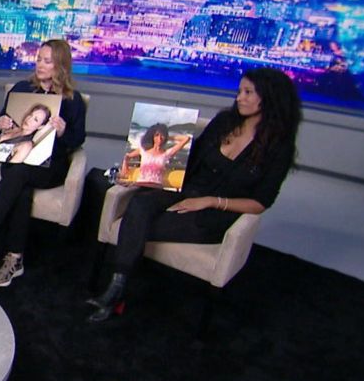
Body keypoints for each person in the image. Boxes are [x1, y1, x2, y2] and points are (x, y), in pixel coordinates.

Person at [86, 67, 302, 322]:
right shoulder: (225, 122)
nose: (239, 98)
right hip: (188, 189)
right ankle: (117, 289)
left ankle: (115, 294)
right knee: (140, 205)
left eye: (248, 92)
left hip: (214, 212)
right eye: (239, 91)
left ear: (269, 97)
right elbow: (187, 157)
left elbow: (260, 203)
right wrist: (141, 172)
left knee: (136, 222)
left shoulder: (279, 148)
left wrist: (210, 201)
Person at [0, 39, 87, 286]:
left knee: (19, 174)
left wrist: (63, 131)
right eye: (39, 59)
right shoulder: (21, 88)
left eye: (47, 61)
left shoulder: (73, 100)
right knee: (21, 182)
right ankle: (15, 259)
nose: (40, 65)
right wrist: (2, 123)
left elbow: (77, 140)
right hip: (16, 159)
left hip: (50, 167)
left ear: (60, 65)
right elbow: (2, 120)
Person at [120, 123, 191, 187]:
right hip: (140, 184)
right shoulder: (143, 150)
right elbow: (127, 156)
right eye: (157, 135)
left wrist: (167, 137)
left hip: (156, 186)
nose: (159, 138)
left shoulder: (167, 153)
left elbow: (186, 138)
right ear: (152, 137)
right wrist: (125, 165)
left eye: (162, 136)